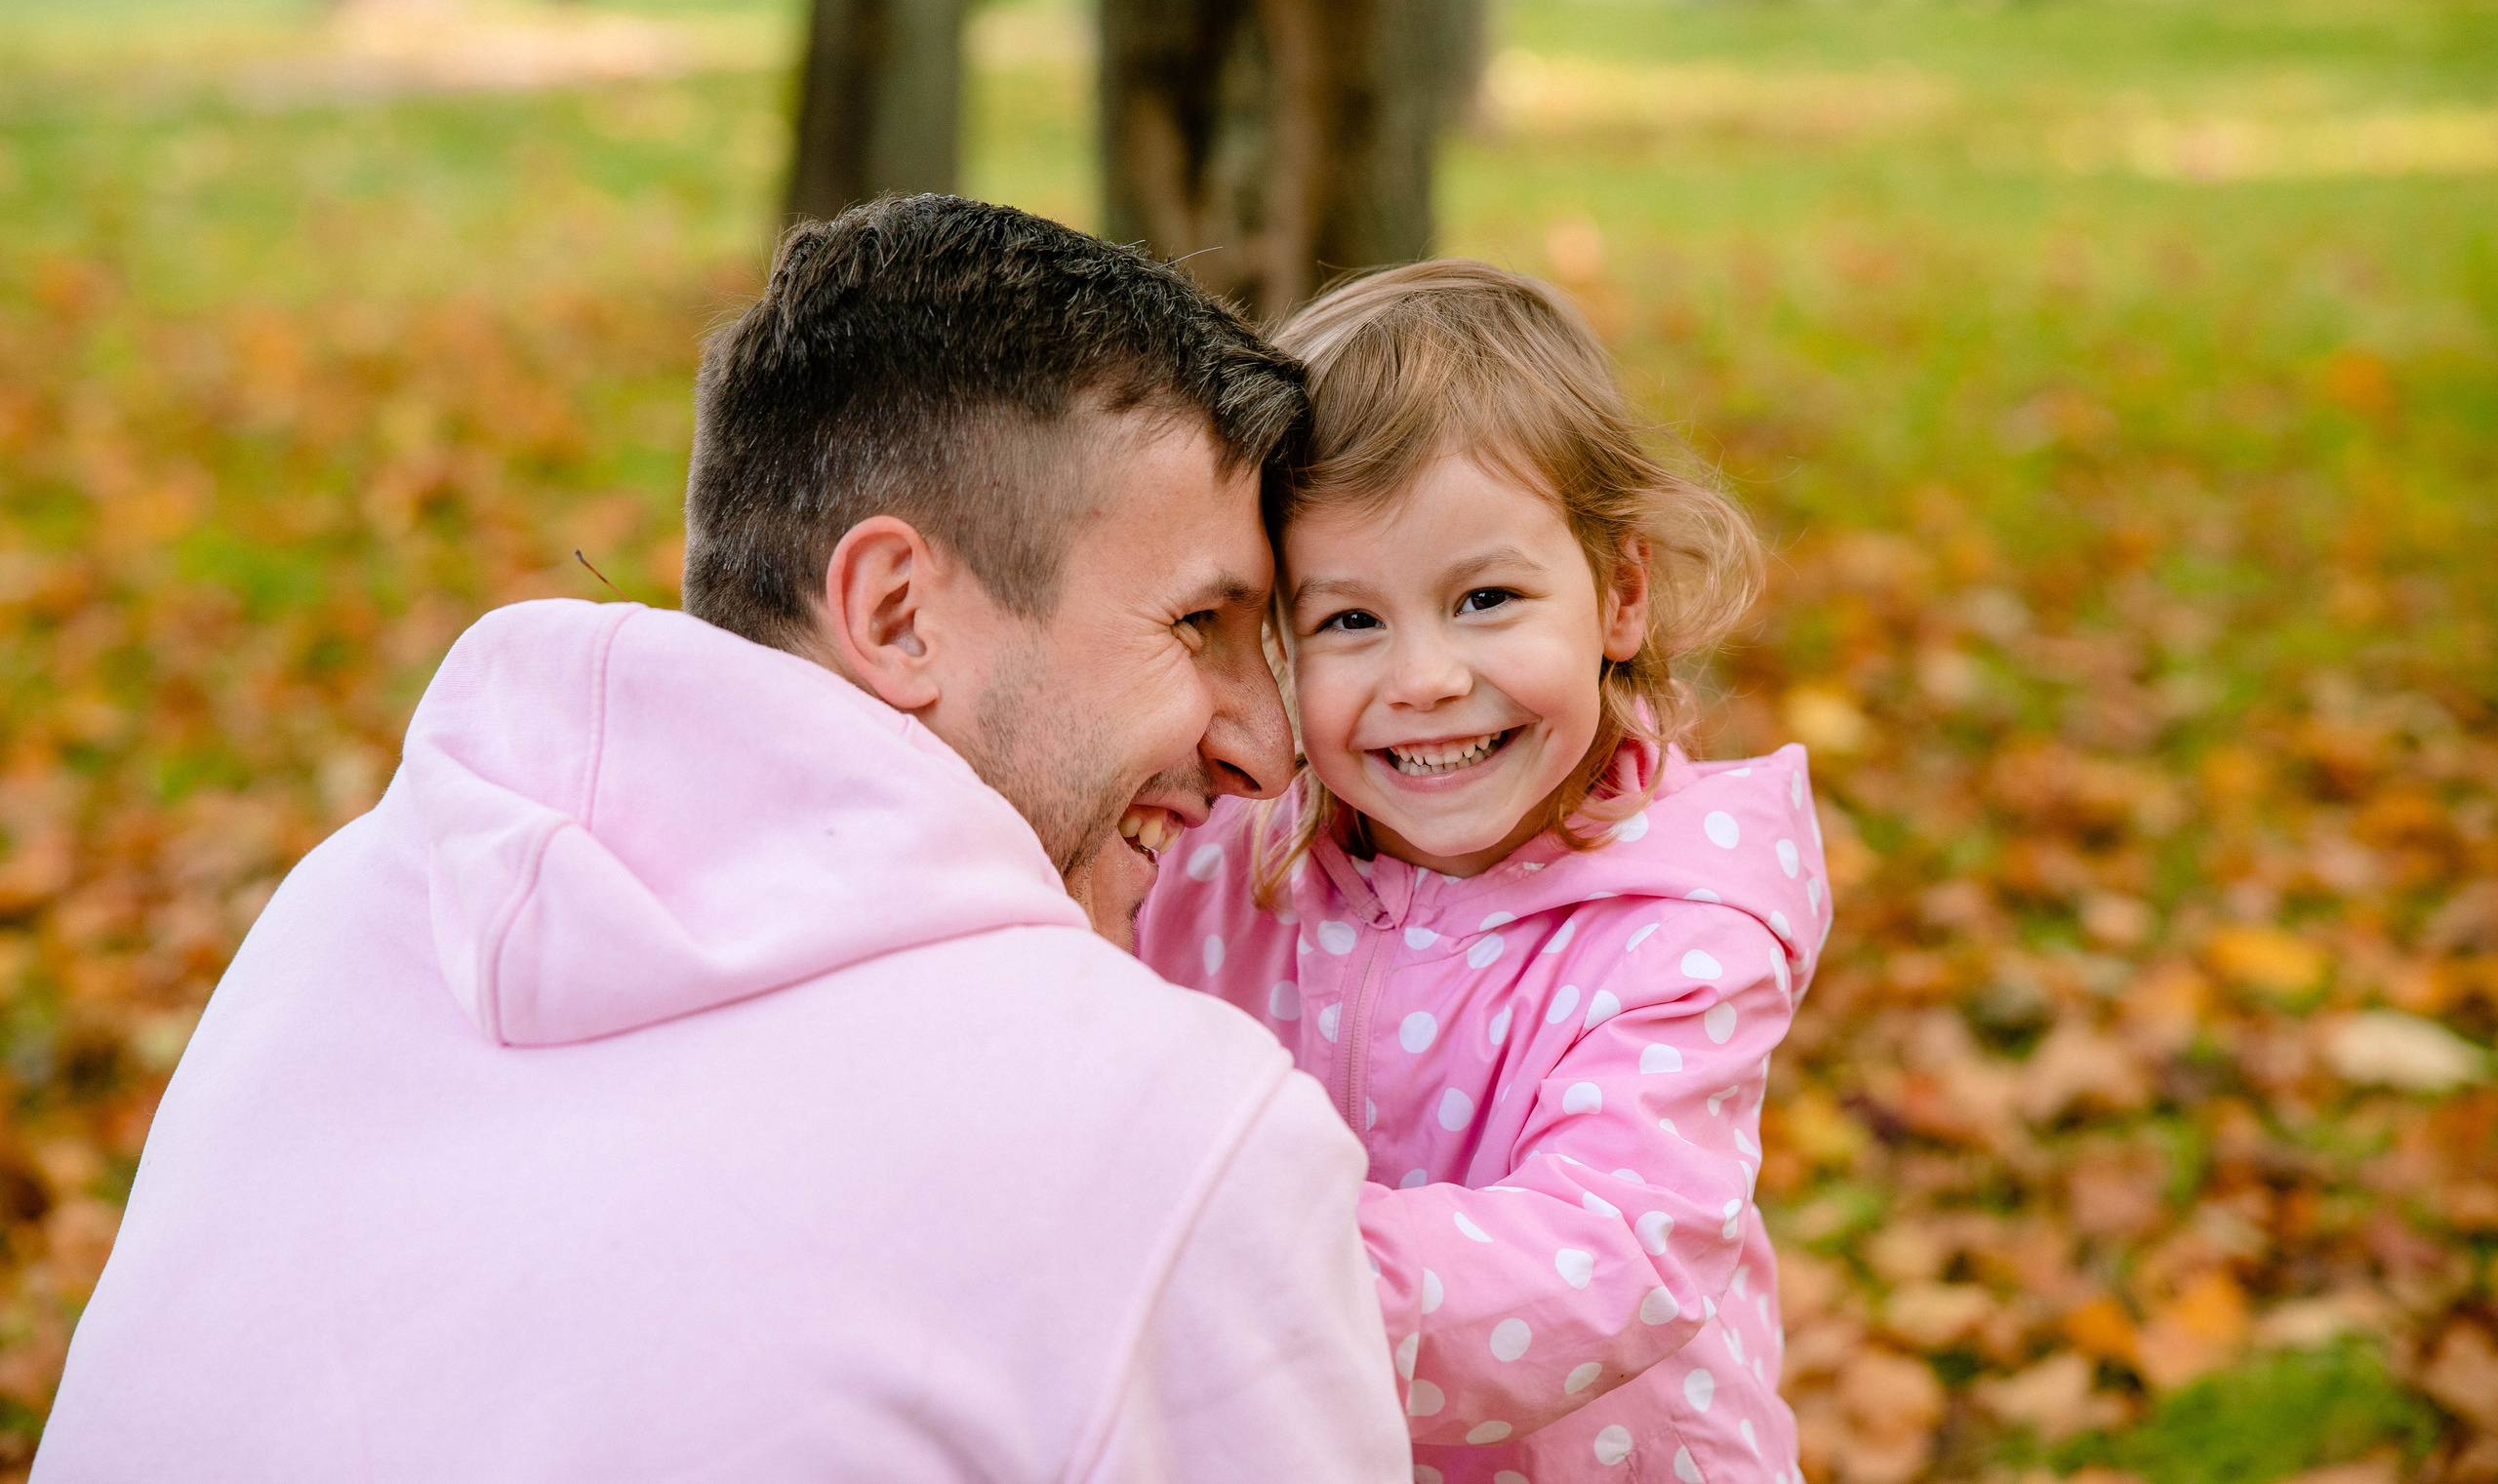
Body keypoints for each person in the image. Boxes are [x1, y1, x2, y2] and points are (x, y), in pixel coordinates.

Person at [35, 197, 1409, 1484]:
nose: (1267, 749)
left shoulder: (346, 907)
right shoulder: (1178, 1132)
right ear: (895, 612)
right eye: (1198, 625)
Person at [1134, 261, 1828, 1484]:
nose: (1426, 679)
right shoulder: (1224, 863)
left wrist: (1255, 1267)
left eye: (1485, 598)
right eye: (1349, 621)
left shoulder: (1677, 927)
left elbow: (1615, 1253)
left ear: (1617, 594)